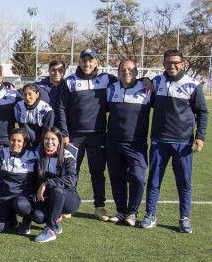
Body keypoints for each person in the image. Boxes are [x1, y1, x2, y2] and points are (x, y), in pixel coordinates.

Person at [57, 48, 127, 221]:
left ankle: (99, 206)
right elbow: (61, 108)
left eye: (90, 60)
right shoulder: (70, 81)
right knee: (72, 170)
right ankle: (69, 205)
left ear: (96, 62)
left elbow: (127, 82)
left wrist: (147, 81)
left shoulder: (106, 79)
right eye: (84, 60)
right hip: (75, 136)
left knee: (97, 172)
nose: (87, 64)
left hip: (98, 134)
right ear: (79, 62)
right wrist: (65, 133)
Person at [141, 50, 207, 233]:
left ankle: (184, 218)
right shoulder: (157, 82)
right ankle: (150, 215)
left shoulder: (193, 85)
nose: (172, 65)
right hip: (158, 141)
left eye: (176, 62)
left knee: (183, 182)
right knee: (154, 180)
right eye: (169, 62)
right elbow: (140, 83)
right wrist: (145, 79)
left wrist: (200, 136)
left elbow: (202, 112)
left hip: (183, 142)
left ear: (183, 64)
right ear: (164, 64)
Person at [104, 59, 152, 227]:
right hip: (113, 142)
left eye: (130, 69)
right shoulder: (111, 89)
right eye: (123, 69)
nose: (127, 72)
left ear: (136, 72)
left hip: (136, 144)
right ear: (118, 73)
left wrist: (148, 80)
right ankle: (121, 210)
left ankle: (132, 212)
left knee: (138, 178)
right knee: (117, 179)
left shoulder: (146, 89)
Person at [27, 127, 81, 243]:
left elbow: (72, 179)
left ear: (59, 141)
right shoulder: (38, 152)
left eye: (53, 139)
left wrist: (47, 182)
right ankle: (56, 220)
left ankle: (50, 228)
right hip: (48, 198)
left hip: (69, 199)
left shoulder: (67, 156)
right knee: (37, 217)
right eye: (46, 139)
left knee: (57, 190)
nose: (49, 142)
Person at [0, 128, 38, 234]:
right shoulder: (2, 153)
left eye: (19, 141)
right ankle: (11, 217)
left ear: (24, 143)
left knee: (21, 204)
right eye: (13, 140)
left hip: (22, 198)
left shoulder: (32, 156)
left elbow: (37, 178)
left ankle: (26, 221)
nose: (15, 143)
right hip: (3, 198)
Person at [15, 83, 54, 149]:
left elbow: (47, 132)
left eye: (30, 94)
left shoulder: (46, 110)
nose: (27, 97)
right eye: (25, 94)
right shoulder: (18, 107)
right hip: (24, 145)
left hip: (41, 145)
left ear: (37, 95)